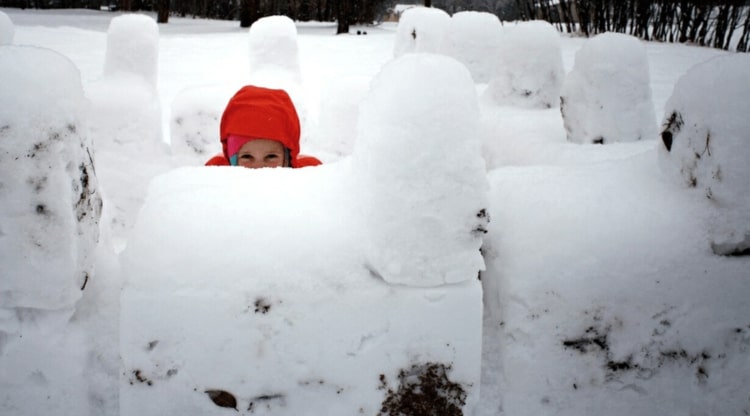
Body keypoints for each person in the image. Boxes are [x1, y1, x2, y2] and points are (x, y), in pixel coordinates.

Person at [205, 85, 321, 168]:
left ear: (287, 158)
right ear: (232, 158)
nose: (259, 167)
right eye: (247, 157)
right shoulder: (216, 173)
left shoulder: (308, 174)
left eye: (271, 156)